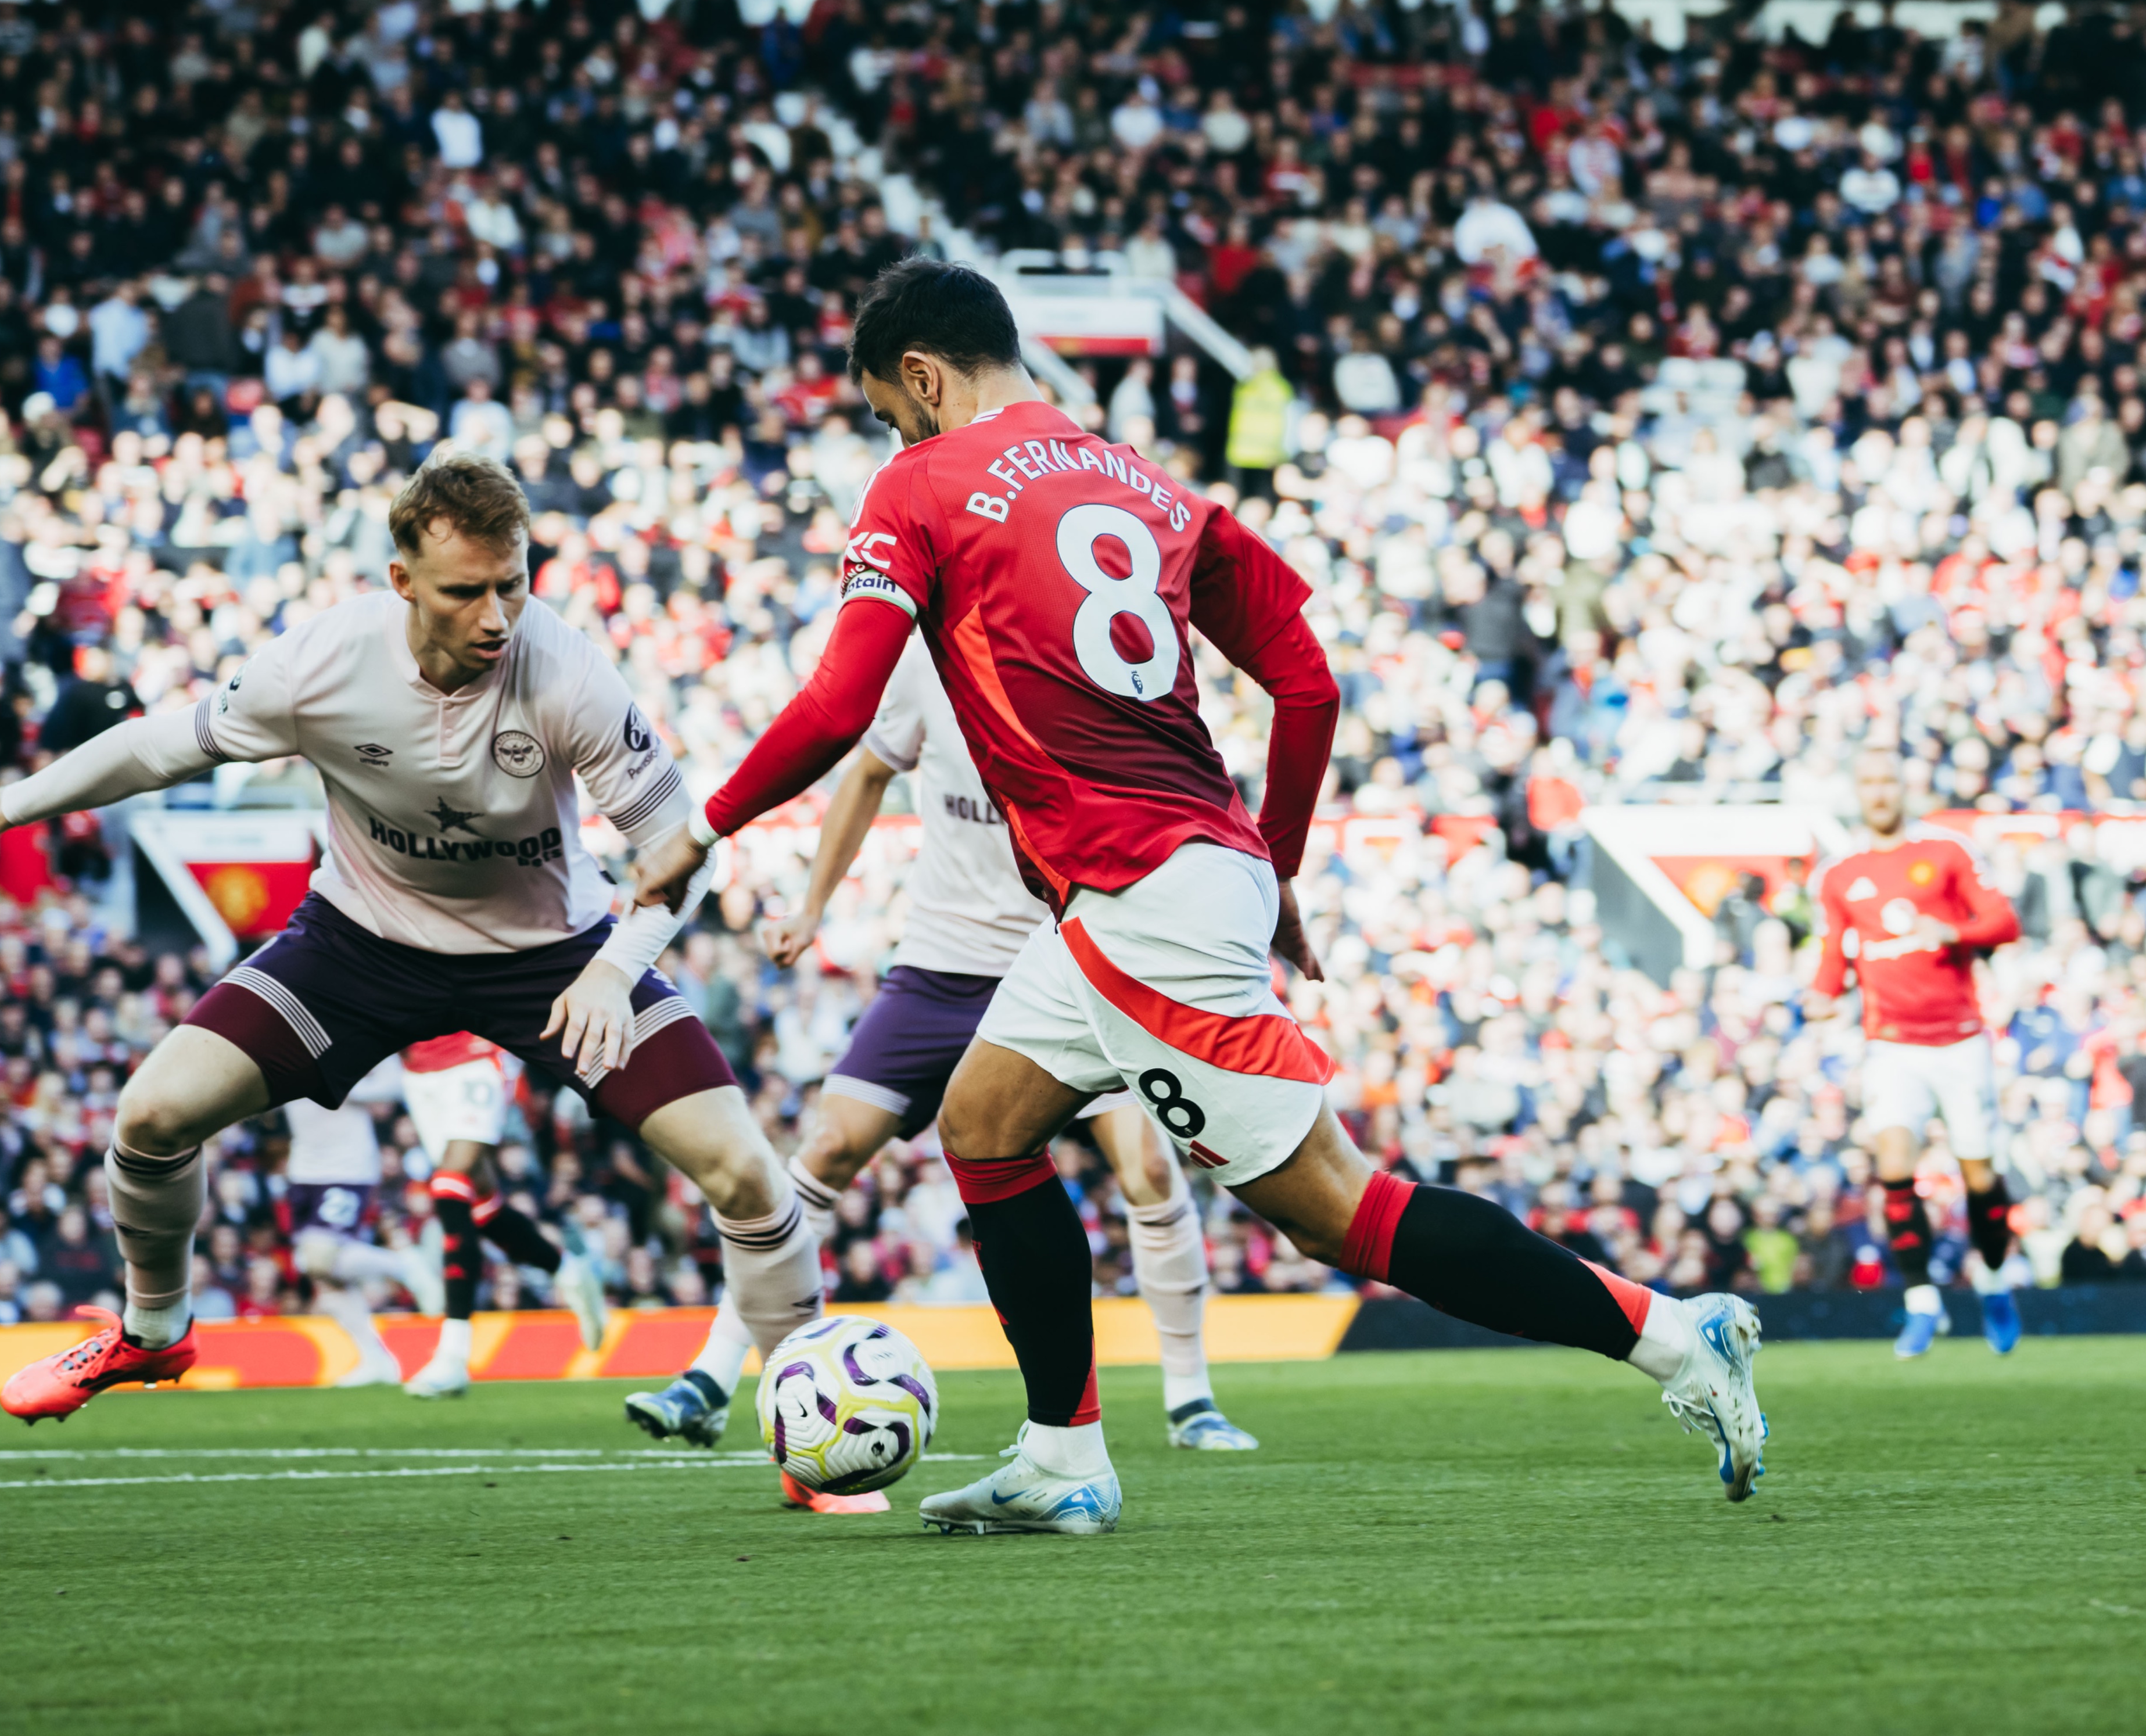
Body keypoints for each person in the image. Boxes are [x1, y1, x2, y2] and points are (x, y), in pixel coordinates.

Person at [634, 260, 1766, 1535]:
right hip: (1161, 876)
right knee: (984, 1123)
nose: (893, 438)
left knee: (1339, 1212)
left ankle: (1676, 1335)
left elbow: (844, 702)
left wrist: (704, 829)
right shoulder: (1149, 484)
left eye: (892, 414)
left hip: (1136, 887)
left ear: (919, 376)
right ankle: (1062, 1452)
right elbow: (1306, 677)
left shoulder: (920, 484)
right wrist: (1271, 863)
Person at [0, 452, 825, 1427]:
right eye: (465, 591)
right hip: (360, 944)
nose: (496, 616)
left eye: (512, 584)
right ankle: (152, 1332)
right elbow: (160, 745)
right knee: (150, 1118)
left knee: (746, 1171)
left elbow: (681, 855)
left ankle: (810, 1417)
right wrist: (1, 806)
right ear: (401, 582)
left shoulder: (569, 673)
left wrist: (617, 971)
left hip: (556, 957)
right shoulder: (321, 661)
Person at [624, 626, 1259, 1457]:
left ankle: (1191, 1398)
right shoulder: (923, 662)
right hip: (939, 967)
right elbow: (866, 773)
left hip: (1063, 964)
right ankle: (711, 1376)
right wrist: (813, 908)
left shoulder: (1078, 660)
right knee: (826, 1147)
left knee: (1144, 1165)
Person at [1803, 747, 2024, 1357]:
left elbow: (2003, 920)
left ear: (1904, 787)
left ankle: (1995, 1284)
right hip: (1890, 1043)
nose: (1878, 792)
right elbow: (1833, 958)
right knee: (1893, 1164)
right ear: (1856, 789)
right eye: (1868, 781)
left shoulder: (1945, 852)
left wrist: (1952, 931)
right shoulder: (1839, 875)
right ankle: (1921, 1304)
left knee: (1978, 1172)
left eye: (1887, 781)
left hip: (1959, 1038)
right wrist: (1820, 996)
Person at [395, 1030, 607, 1397]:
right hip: (420, 1068)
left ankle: (453, 1355)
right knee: (481, 1207)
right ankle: (567, 1269)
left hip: (477, 1053)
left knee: (449, 1183)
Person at [279, 1070, 447, 1388]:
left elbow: (396, 1080)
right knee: (324, 1278)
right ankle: (375, 1360)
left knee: (319, 1256)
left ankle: (404, 1266)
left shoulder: (339, 1030)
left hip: (346, 1163)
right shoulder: (283, 1034)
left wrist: (342, 1085)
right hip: (304, 1167)